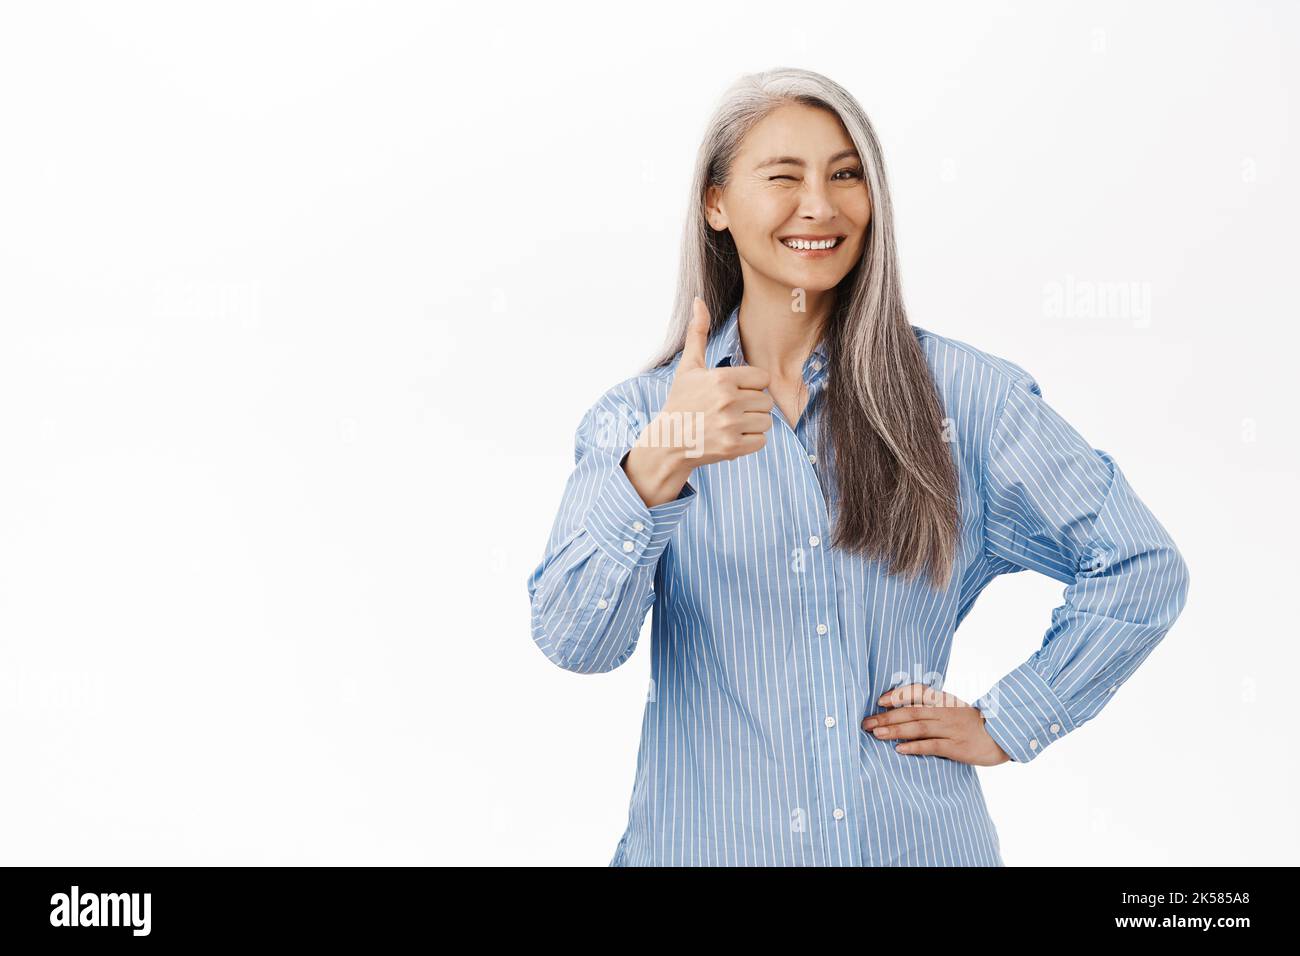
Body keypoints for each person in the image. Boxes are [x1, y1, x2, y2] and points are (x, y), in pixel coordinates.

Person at [526, 67, 1190, 866]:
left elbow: (1141, 565)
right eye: (785, 176)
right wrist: (659, 464)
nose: (822, 204)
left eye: (847, 175)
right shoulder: (636, 420)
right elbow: (574, 642)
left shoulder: (966, 400)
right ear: (715, 203)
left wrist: (1014, 719)